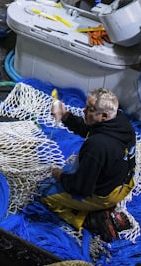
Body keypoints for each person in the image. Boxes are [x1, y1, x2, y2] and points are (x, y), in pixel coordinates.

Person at [43, 87, 136, 239]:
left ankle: (92, 220)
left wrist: (59, 175)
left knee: (47, 195)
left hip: (105, 195)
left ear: (104, 115)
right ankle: (101, 209)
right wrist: (65, 116)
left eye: (90, 109)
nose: (84, 111)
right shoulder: (121, 123)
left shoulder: (97, 146)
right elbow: (89, 129)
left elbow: (81, 188)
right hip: (124, 183)